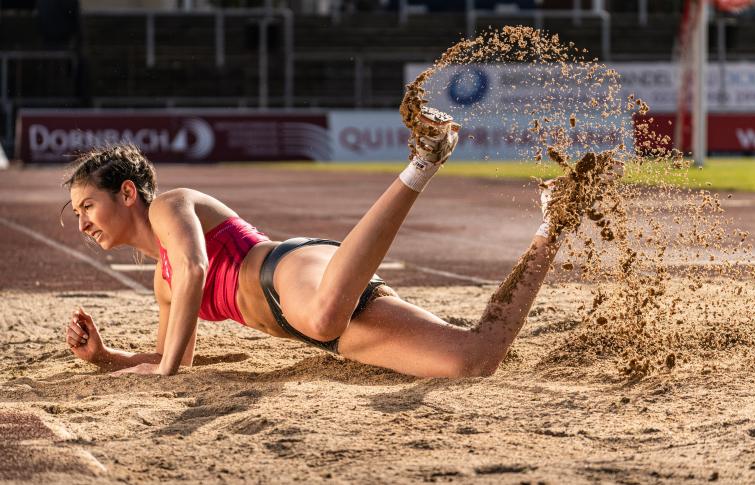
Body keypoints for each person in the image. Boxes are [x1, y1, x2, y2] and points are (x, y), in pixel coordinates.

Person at [64, 108, 566, 378]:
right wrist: (107, 357)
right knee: (473, 360)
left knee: (323, 315)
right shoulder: (163, 282)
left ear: (127, 193)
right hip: (315, 327)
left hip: (291, 269)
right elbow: (175, 356)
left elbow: (196, 268)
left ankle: (425, 160)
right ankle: (555, 225)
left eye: (87, 206)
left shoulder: (167, 206)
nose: (83, 223)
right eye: (78, 213)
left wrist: (165, 379)